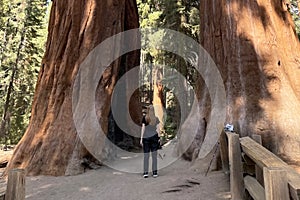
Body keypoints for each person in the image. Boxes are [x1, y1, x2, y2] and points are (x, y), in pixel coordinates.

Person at [140, 105, 160, 178]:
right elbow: (158, 129)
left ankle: (145, 173)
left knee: (146, 156)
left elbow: (143, 128)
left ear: (147, 110)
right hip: (154, 138)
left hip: (146, 138)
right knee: (154, 156)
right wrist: (159, 138)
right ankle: (155, 172)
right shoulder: (156, 119)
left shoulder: (145, 118)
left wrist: (141, 138)